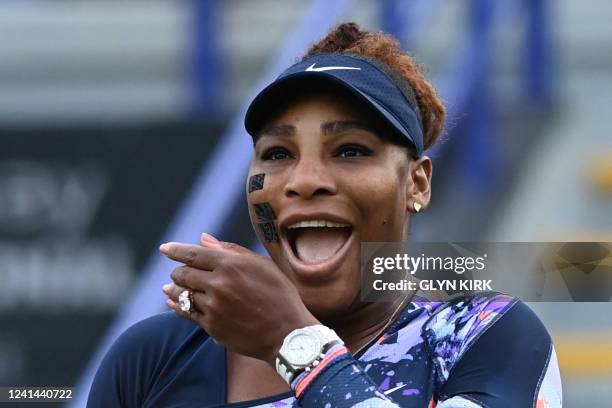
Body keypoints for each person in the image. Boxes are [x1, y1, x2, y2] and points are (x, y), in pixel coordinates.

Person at [87, 22, 562, 407]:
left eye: (351, 150)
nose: (304, 179)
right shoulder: (151, 359)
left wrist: (294, 343)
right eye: (276, 154)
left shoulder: (484, 335)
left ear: (417, 183)